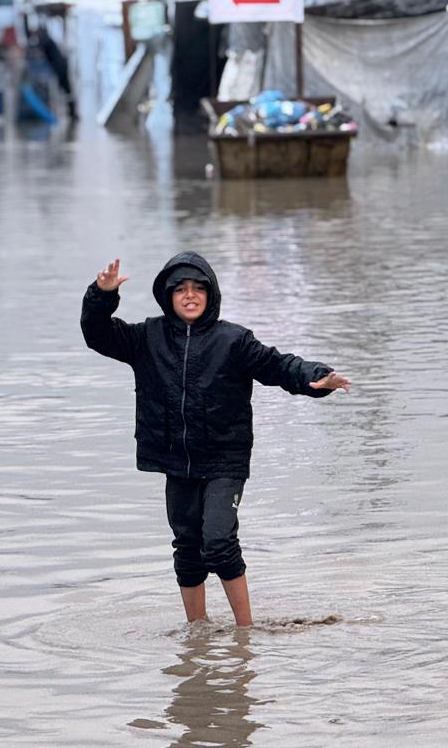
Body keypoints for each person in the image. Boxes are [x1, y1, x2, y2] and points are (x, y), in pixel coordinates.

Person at [80, 252, 351, 627]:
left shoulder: (233, 340)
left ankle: (245, 631)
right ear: (168, 296)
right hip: (176, 460)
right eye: (181, 290)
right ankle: (198, 630)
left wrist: (317, 377)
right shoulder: (148, 338)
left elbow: (278, 366)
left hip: (225, 459)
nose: (190, 296)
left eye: (198, 289)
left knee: (219, 542)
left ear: (211, 295)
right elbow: (97, 335)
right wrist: (101, 294)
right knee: (188, 549)